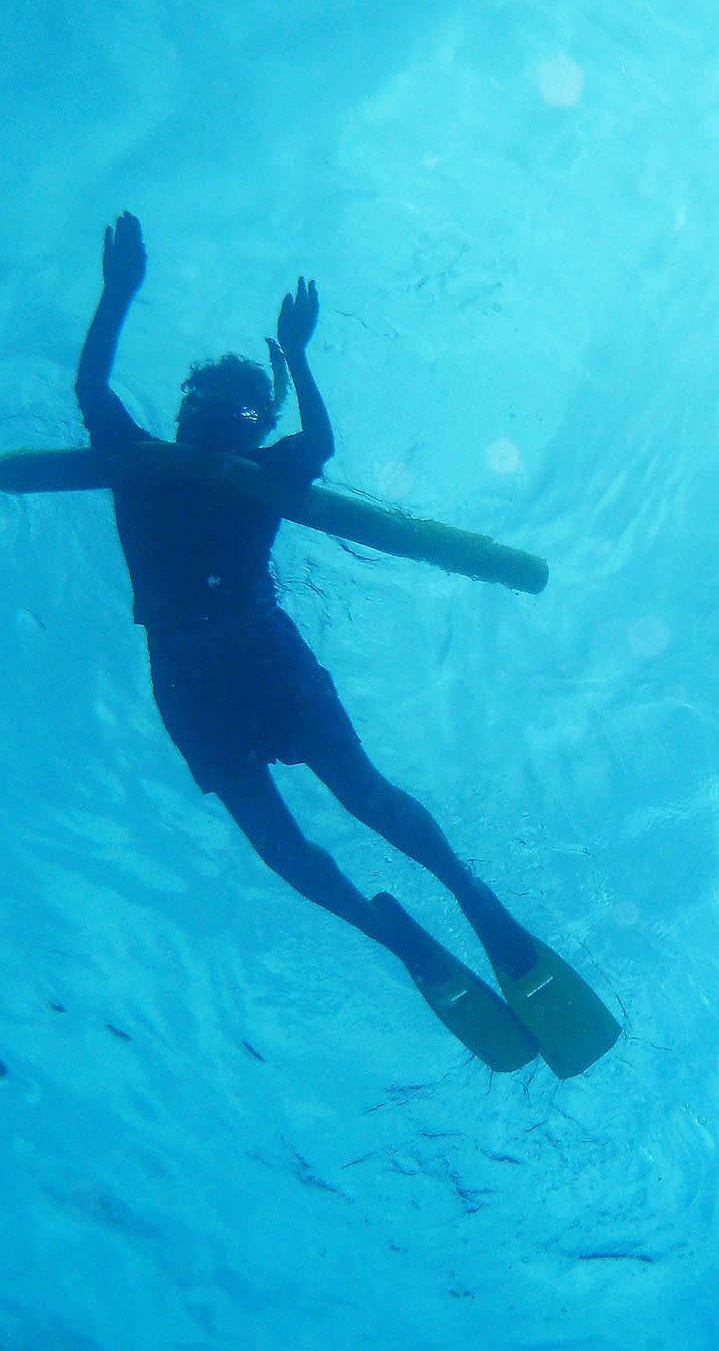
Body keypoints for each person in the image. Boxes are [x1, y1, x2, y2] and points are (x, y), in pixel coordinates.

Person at [64, 212, 617, 1077]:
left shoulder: (260, 473)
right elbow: (95, 394)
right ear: (183, 413)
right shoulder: (139, 461)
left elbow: (317, 443)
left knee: (368, 797)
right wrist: (118, 293)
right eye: (205, 403)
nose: (219, 417)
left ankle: (474, 898)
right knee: (281, 846)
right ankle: (388, 930)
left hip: (258, 657)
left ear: (254, 425)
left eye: (243, 409)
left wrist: (302, 357)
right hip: (195, 674)